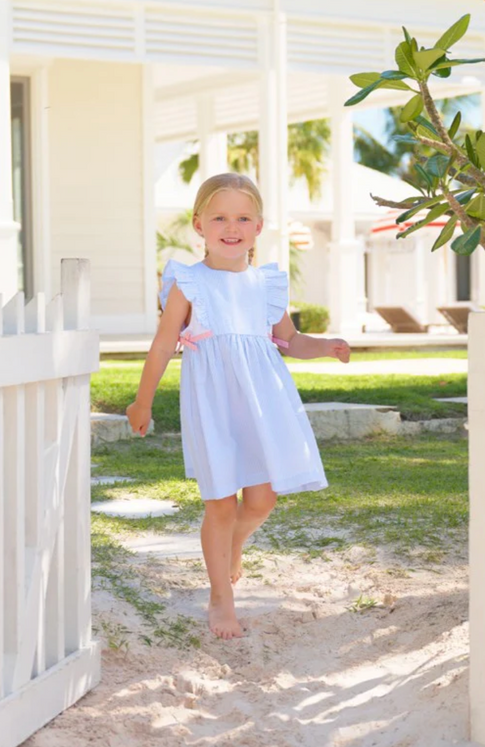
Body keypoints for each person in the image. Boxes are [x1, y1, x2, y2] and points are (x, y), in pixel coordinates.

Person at [127, 173, 351, 639]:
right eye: (220, 217)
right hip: (212, 406)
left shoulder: (265, 284)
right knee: (221, 505)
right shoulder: (188, 282)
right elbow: (163, 344)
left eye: (243, 217)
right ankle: (220, 599)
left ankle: (234, 546)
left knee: (262, 500)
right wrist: (141, 401)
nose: (232, 226)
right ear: (199, 224)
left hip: (262, 404)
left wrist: (325, 344)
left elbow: (289, 340)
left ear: (259, 226)